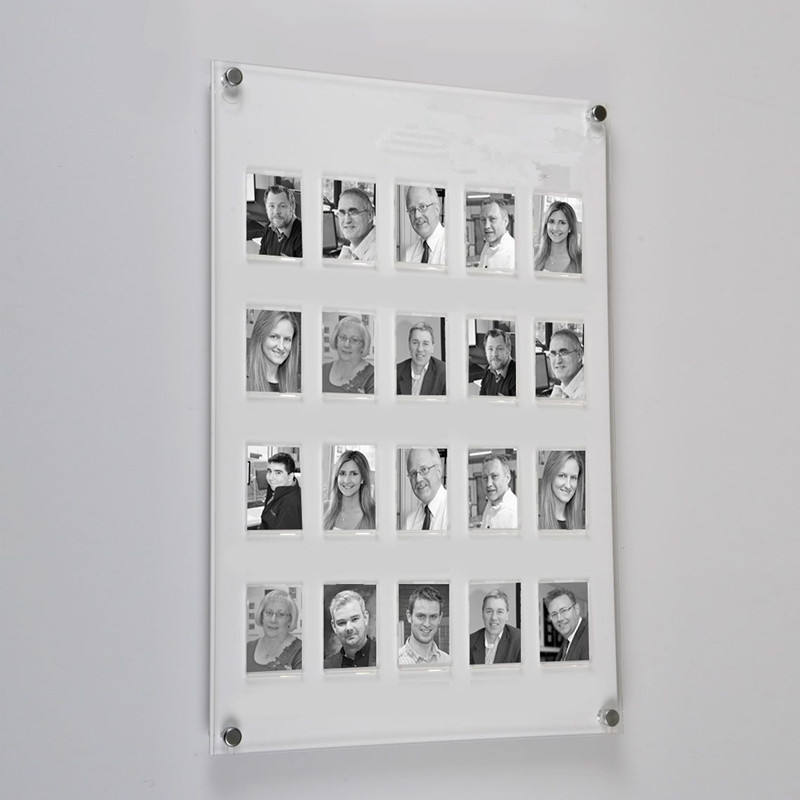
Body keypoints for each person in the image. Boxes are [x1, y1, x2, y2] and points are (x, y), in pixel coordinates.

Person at [246, 589, 302, 672]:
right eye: (269, 613)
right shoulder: (247, 648)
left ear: (290, 620)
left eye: (281, 614)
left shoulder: (300, 651)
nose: (273, 620)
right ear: (261, 616)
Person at [246, 309, 301, 393]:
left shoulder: (298, 386)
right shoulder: (240, 382)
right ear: (260, 337)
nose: (281, 347)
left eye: (287, 339)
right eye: (274, 337)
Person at [323, 449, 376, 530]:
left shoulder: (376, 514)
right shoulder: (323, 509)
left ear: (362, 478)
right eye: (342, 473)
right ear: (337, 477)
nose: (347, 480)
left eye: (354, 474)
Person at [398, 586, 451, 666]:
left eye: (433, 616)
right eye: (421, 616)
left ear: (440, 618)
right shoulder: (394, 662)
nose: (427, 624)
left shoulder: (448, 661)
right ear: (409, 616)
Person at [322, 315, 375, 394]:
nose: (347, 345)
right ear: (336, 340)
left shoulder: (373, 376)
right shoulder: (322, 370)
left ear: (363, 345)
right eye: (343, 338)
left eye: (354, 340)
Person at [324, 590, 376, 668]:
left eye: (354, 619)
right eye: (342, 623)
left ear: (365, 618)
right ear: (334, 626)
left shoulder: (388, 656)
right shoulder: (326, 667)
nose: (349, 628)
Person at [469, 590, 521, 665]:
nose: (494, 617)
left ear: (507, 615)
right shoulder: (470, 642)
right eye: (489, 611)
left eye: (499, 612)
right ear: (482, 614)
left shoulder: (519, 640)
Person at [396, 322, 446, 396]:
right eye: (415, 343)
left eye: (425, 344)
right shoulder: (396, 372)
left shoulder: (444, 373)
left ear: (432, 347)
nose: (420, 349)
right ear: (409, 345)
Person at [538, 450, 585, 530]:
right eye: (562, 476)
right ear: (550, 476)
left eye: (573, 478)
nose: (568, 485)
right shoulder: (533, 521)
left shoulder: (584, 521)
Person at [403, 448, 448, 531]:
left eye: (424, 469)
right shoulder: (410, 522)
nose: (418, 479)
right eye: (413, 473)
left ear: (439, 471)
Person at [403, 185, 446, 265]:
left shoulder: (453, 247)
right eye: (412, 210)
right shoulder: (409, 254)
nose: (417, 215)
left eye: (422, 207)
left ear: (437, 209)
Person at [534, 201, 581, 274]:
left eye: (562, 223)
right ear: (546, 225)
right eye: (551, 221)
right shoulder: (533, 252)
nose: (555, 228)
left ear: (570, 227)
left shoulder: (581, 260)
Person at [259, 452, 302, 530]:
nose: (271, 478)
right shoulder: (276, 488)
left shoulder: (290, 505)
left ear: (290, 476)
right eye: (269, 471)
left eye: (278, 473)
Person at [544, 587, 589, 661]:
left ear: (576, 609)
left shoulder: (590, 636)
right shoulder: (567, 642)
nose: (559, 619)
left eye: (563, 611)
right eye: (554, 614)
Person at [259, 185, 303, 257]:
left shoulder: (304, 236)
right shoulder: (268, 229)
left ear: (292, 207)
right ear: (266, 208)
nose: (276, 212)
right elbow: (261, 260)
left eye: (282, 206)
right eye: (272, 206)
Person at [335, 187, 377, 263]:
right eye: (342, 213)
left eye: (354, 212)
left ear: (370, 216)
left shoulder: (376, 255)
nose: (347, 220)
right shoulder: (356, 246)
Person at [480, 454, 518, 529]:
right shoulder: (490, 504)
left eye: (494, 476)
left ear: (507, 478)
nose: (488, 484)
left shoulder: (514, 513)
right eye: (485, 478)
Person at [476, 198, 515, 272]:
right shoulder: (487, 246)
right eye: (483, 220)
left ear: (505, 221)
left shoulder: (513, 252)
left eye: (492, 219)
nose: (486, 226)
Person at [546, 328, 585, 401]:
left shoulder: (583, 395)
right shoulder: (566, 386)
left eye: (564, 353)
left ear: (579, 355)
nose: (558, 360)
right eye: (553, 353)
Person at [479, 329, 516, 396]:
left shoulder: (518, 377)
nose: (494, 354)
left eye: (499, 349)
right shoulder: (488, 370)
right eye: (490, 349)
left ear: (508, 350)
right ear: (485, 351)